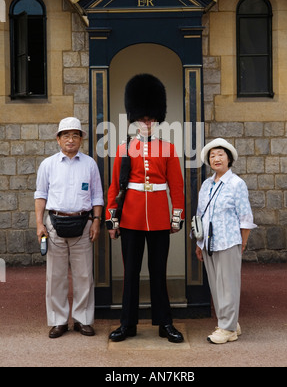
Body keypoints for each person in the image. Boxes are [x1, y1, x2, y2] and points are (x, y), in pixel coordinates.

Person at [106, 74, 185, 343]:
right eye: (142, 118)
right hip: (130, 218)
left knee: (158, 272)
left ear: (157, 119)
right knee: (131, 274)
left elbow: (177, 187)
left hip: (161, 219)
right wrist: (112, 220)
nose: (147, 123)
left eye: (151, 119)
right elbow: (115, 187)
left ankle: (165, 323)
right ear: (134, 118)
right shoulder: (124, 149)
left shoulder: (169, 148)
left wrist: (177, 216)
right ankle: (127, 325)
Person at [34, 117, 104, 338]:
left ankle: (83, 319)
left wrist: (96, 221)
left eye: (75, 135)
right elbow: (41, 195)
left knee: (84, 275)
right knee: (56, 276)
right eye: (66, 135)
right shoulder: (48, 164)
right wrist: (39, 224)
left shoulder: (90, 164)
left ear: (81, 139)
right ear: (58, 139)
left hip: (83, 224)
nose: (71, 139)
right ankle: (59, 320)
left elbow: (97, 196)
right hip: (54, 224)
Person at [195, 138, 256, 344]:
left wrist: (243, 243)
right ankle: (230, 323)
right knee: (216, 286)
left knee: (228, 285)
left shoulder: (237, 183)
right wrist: (198, 243)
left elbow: (245, 217)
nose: (216, 158)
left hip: (229, 241)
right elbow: (200, 214)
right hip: (209, 243)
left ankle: (227, 328)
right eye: (212, 155)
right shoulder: (206, 185)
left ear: (229, 158)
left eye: (221, 154)